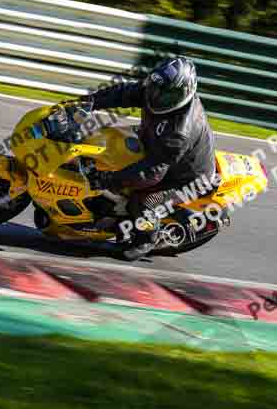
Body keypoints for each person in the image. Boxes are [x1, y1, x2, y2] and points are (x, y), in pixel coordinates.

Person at [84, 56, 217, 260]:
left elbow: (151, 172)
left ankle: (146, 239)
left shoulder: (179, 132)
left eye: (165, 93)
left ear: (183, 93)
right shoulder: (157, 91)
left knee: (144, 201)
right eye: (155, 88)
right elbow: (124, 93)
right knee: (109, 142)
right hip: (156, 147)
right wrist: (90, 102)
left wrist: (109, 179)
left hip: (187, 178)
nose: (156, 96)